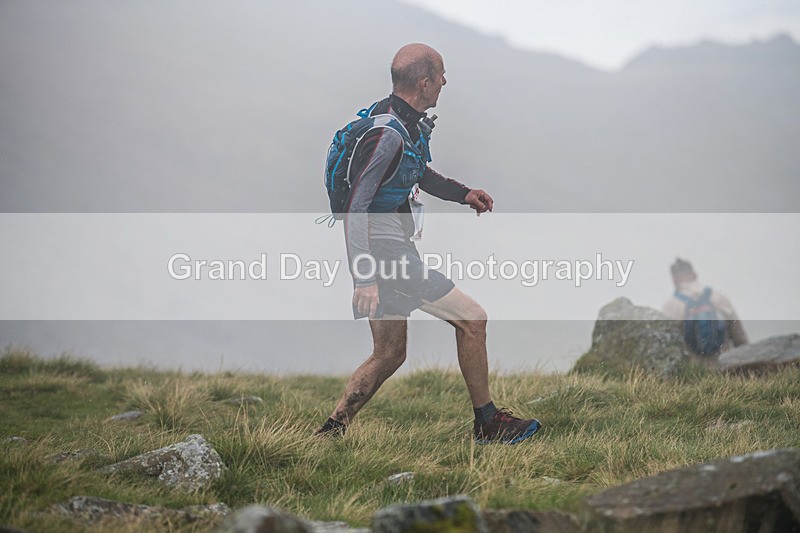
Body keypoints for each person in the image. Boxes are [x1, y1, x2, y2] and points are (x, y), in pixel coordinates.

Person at [316, 43, 541, 444]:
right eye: (441, 76)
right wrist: (365, 276)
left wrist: (464, 193)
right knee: (473, 320)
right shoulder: (387, 134)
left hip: (389, 249)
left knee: (389, 354)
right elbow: (356, 208)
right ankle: (488, 424)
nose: (445, 82)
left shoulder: (400, 122)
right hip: (387, 255)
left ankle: (330, 432)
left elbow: (418, 172)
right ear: (425, 82)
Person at [662, 258, 748, 360]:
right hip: (725, 366)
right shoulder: (718, 296)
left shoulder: (671, 305)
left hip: (694, 371)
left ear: (674, 280)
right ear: (695, 275)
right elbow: (740, 337)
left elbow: (666, 345)